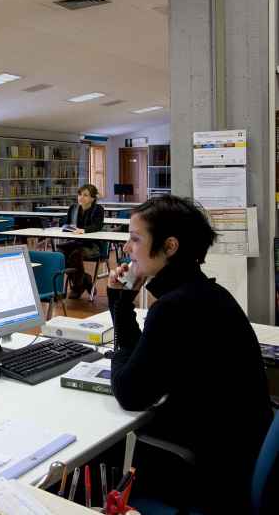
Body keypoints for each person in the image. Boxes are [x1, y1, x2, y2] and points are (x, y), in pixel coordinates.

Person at [107, 195, 271, 513]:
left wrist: (121, 307)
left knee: (97, 455)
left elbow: (130, 392)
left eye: (136, 239)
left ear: (169, 246)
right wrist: (122, 303)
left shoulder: (174, 308)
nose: (127, 248)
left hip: (207, 474)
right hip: (235, 457)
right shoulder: (209, 294)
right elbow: (149, 362)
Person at [58, 183, 104, 297]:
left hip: (91, 245)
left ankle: (77, 287)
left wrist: (83, 230)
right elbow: (67, 223)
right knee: (60, 253)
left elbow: (97, 226)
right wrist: (66, 227)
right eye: (79, 194)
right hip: (75, 242)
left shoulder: (98, 209)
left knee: (75, 254)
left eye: (85, 195)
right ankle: (85, 279)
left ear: (92, 198)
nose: (81, 197)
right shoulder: (73, 208)